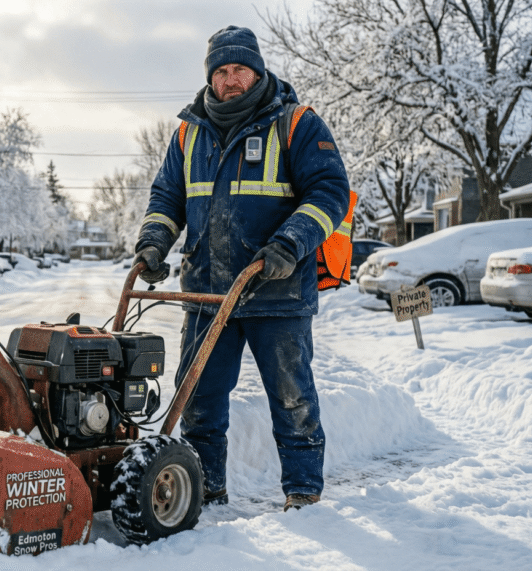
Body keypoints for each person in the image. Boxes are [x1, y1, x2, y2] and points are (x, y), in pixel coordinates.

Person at [133, 26, 350, 512]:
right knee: (200, 402)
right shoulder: (188, 134)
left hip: (278, 289)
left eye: (240, 69)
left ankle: (302, 492)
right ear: (211, 77)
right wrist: (153, 244)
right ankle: (206, 491)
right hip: (208, 292)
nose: (231, 80)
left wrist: (288, 245)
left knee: (292, 400)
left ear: (258, 71)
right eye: (222, 71)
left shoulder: (296, 124)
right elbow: (167, 198)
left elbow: (329, 193)